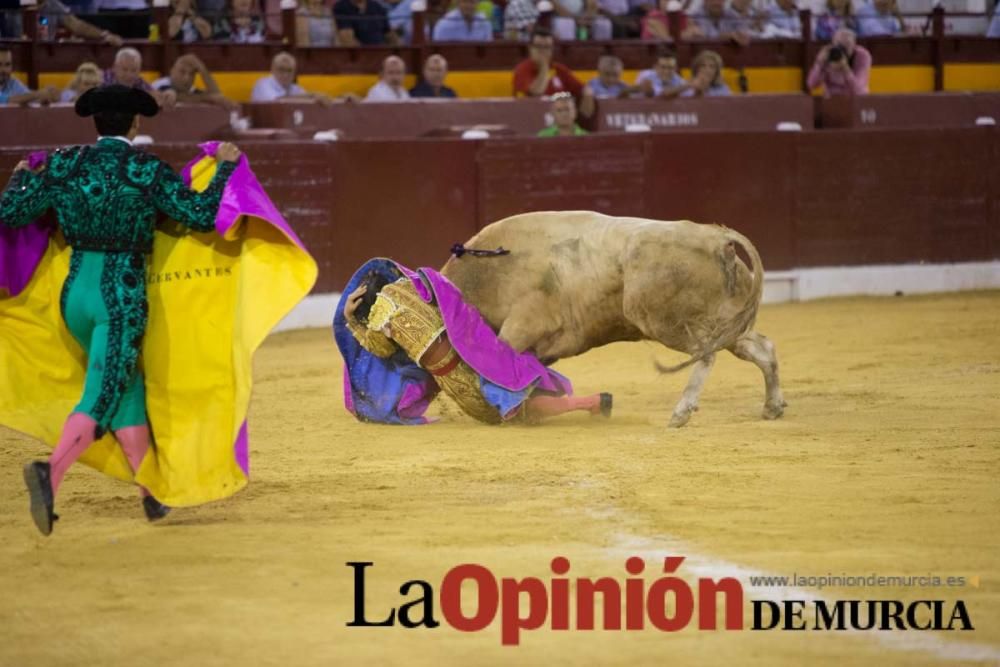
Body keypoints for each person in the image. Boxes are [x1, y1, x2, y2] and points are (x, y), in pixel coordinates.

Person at [0, 85, 242, 536]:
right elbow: (202, 213)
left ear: (96, 123)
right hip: (121, 296)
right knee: (103, 393)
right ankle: (48, 474)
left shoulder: (64, 163)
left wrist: (19, 176)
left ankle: (151, 494)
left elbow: (10, 211)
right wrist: (226, 170)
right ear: (135, 123)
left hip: (75, 294)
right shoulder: (144, 170)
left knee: (126, 388)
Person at [339, 260, 612, 426]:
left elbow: (381, 350)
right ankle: (587, 403)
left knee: (512, 412)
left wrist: (350, 319)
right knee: (513, 395)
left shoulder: (379, 317)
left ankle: (588, 403)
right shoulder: (416, 283)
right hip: (475, 346)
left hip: (455, 374)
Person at [512, 27, 595, 118]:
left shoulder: (559, 69)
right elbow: (536, 93)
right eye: (538, 46)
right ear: (530, 48)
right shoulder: (522, 69)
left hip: (559, 119)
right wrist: (544, 67)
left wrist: (587, 94)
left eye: (547, 47)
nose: (543, 51)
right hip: (532, 118)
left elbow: (582, 88)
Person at [151, 54, 239, 110]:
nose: (187, 78)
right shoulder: (160, 84)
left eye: (192, 74)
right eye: (182, 72)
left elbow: (217, 95)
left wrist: (202, 69)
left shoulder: (193, 91)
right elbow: (175, 97)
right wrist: (209, 98)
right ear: (172, 71)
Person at [251, 51, 334, 105]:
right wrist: (312, 95)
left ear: (294, 73)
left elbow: (306, 100)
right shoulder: (263, 84)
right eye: (281, 69)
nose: (285, 75)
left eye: (289, 70)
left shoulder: (295, 88)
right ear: (272, 70)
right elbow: (278, 102)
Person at [807, 27, 869, 96]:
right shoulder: (828, 53)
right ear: (833, 44)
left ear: (854, 45)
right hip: (832, 100)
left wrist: (846, 69)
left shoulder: (862, 56)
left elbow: (858, 90)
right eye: (840, 45)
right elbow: (812, 84)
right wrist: (819, 64)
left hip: (855, 99)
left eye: (847, 44)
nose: (843, 49)